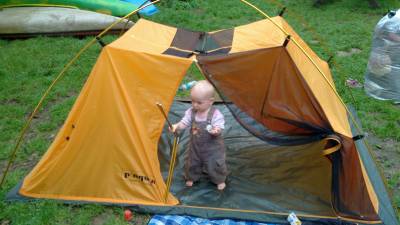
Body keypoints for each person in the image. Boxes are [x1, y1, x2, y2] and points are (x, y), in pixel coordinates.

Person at [171, 80, 227, 191]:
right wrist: (176, 126)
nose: (195, 105)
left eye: (199, 102)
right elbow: (184, 123)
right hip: (196, 146)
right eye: (192, 101)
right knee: (192, 162)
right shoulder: (191, 112)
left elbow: (219, 127)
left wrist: (216, 130)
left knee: (215, 164)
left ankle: (219, 180)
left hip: (213, 148)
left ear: (210, 101)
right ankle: (192, 177)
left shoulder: (215, 114)